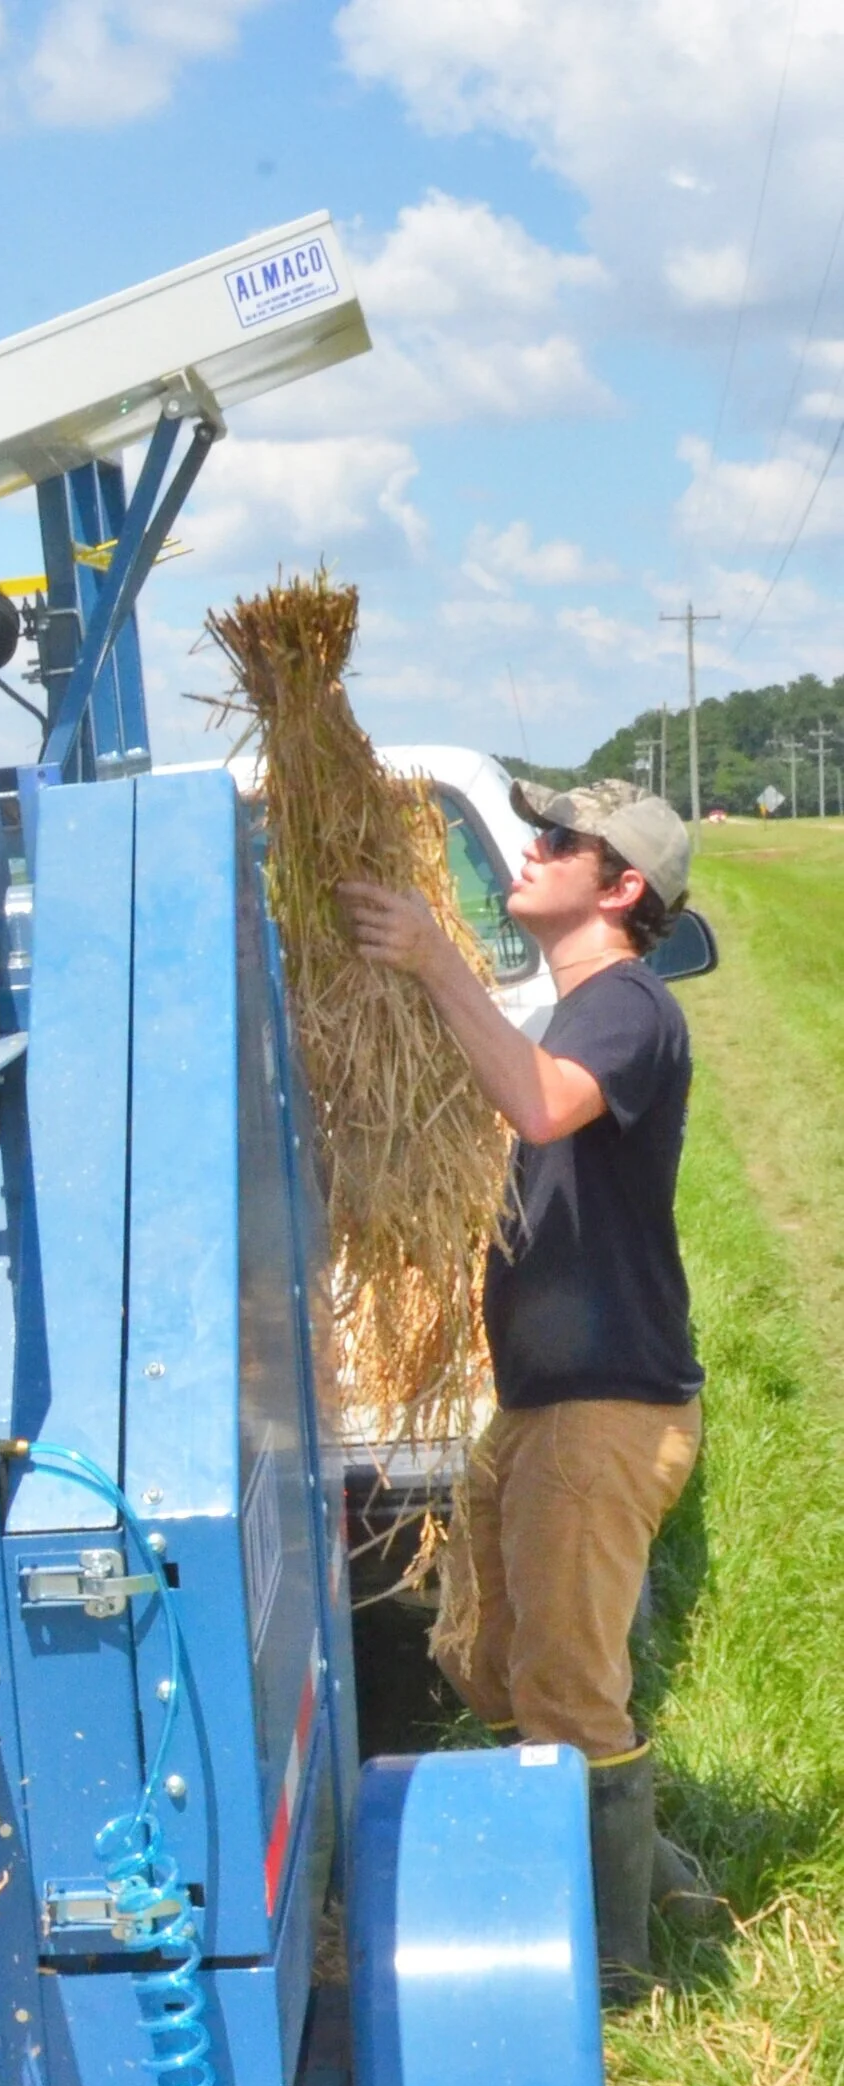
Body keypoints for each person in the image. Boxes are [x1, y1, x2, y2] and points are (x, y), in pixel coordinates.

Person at [340, 780, 708, 1996]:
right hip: (541, 1404)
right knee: (479, 1653)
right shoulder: (568, 1013)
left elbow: (542, 1106)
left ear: (621, 889)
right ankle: (657, 1874)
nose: (534, 848)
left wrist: (438, 960)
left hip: (608, 1407)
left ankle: (613, 1974)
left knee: (563, 1684)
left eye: (562, 841)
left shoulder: (625, 1010)